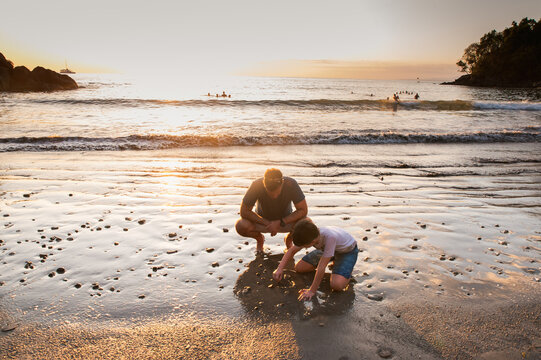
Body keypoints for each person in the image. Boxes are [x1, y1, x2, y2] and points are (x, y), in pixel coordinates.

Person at [272, 218, 359, 301]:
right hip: (326, 250)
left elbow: (321, 267)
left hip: (347, 251)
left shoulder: (330, 237)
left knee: (336, 285)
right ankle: (333, 259)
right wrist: (279, 268)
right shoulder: (310, 234)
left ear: (312, 242)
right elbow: (292, 251)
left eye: (304, 246)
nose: (303, 248)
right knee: (299, 268)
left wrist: (312, 291)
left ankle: (347, 272)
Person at [235, 168, 307, 253]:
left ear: (282, 183)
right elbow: (244, 211)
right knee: (241, 225)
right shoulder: (256, 185)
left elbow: (303, 210)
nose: (274, 196)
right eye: (270, 192)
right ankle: (259, 239)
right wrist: (267, 223)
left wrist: (281, 222)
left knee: (306, 224)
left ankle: (289, 240)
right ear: (264, 184)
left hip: (285, 222)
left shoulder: (291, 184)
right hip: (262, 222)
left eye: (277, 192)